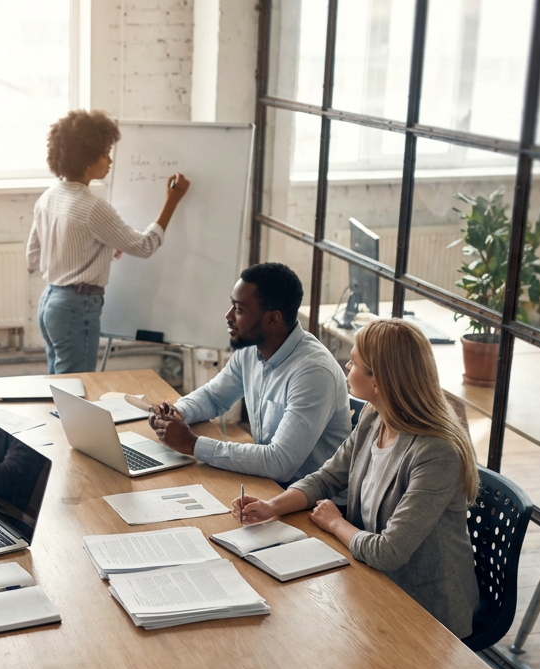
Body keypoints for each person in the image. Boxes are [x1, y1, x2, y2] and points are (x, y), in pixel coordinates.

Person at [233, 318, 480, 637]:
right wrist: (272, 506)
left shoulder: (436, 453)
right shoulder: (375, 416)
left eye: (354, 362)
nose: (346, 367)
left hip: (424, 608)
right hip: (370, 579)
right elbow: (326, 479)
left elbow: (388, 552)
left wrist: (335, 523)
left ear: (379, 381)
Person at [149, 262, 350, 490]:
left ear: (273, 319)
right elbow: (214, 397)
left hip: (312, 499)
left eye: (239, 310)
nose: (228, 316)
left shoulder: (313, 373)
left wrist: (193, 444)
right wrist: (177, 412)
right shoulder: (252, 349)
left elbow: (280, 462)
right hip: (268, 483)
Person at [26, 108, 190, 374]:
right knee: (77, 388)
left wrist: (97, 248)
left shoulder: (49, 197)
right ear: (87, 161)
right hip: (76, 307)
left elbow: (34, 256)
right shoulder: (92, 207)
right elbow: (145, 246)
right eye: (105, 154)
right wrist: (172, 201)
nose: (110, 160)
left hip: (50, 302)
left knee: (60, 386)